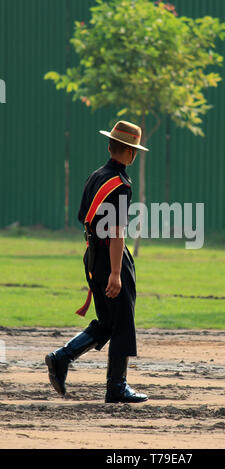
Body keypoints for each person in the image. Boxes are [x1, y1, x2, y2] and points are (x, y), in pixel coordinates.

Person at [45, 120, 149, 403]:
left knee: (108, 321)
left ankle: (62, 357)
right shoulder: (121, 184)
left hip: (92, 256)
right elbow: (117, 232)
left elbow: (84, 217)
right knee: (123, 321)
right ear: (130, 153)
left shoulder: (96, 176)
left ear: (109, 146)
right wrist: (116, 272)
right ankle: (116, 387)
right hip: (111, 258)